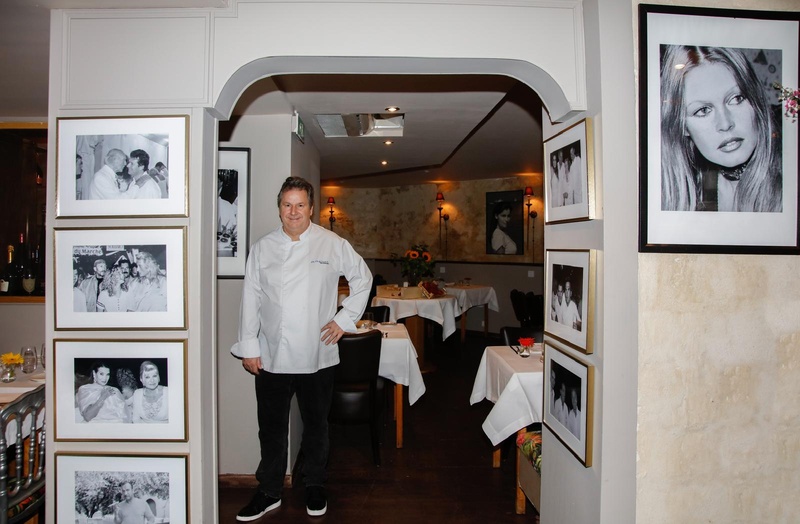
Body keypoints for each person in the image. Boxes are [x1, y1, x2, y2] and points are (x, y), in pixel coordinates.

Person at [231, 176, 372, 520]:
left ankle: (314, 484)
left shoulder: (331, 243)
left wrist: (344, 319)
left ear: (311, 208)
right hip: (271, 354)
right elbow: (251, 298)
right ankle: (269, 491)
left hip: (317, 353)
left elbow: (363, 278)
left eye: (300, 205)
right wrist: (249, 345)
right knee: (272, 428)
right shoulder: (263, 247)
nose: (293, 211)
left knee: (316, 425)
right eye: (286, 204)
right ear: (279, 207)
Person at [660, 45, 782, 212]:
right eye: (703, 111)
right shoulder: (676, 200)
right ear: (682, 127)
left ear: (756, 102)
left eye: (736, 99)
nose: (725, 124)